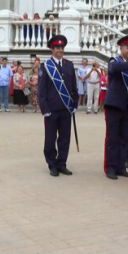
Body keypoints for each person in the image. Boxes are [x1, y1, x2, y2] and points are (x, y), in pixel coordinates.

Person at [103, 35, 128, 180]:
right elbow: (114, 69)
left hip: (127, 106)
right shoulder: (115, 61)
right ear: (121, 48)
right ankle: (110, 167)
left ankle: (121, 167)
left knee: (124, 138)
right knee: (112, 138)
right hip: (114, 105)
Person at [38, 35, 79, 177]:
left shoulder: (69, 65)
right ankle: (52, 164)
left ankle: (62, 163)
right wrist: (44, 109)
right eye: (57, 47)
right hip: (51, 109)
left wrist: (75, 103)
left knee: (64, 138)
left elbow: (74, 87)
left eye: (62, 47)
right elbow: (41, 90)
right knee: (50, 139)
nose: (60, 50)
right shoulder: (46, 66)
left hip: (66, 109)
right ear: (52, 49)